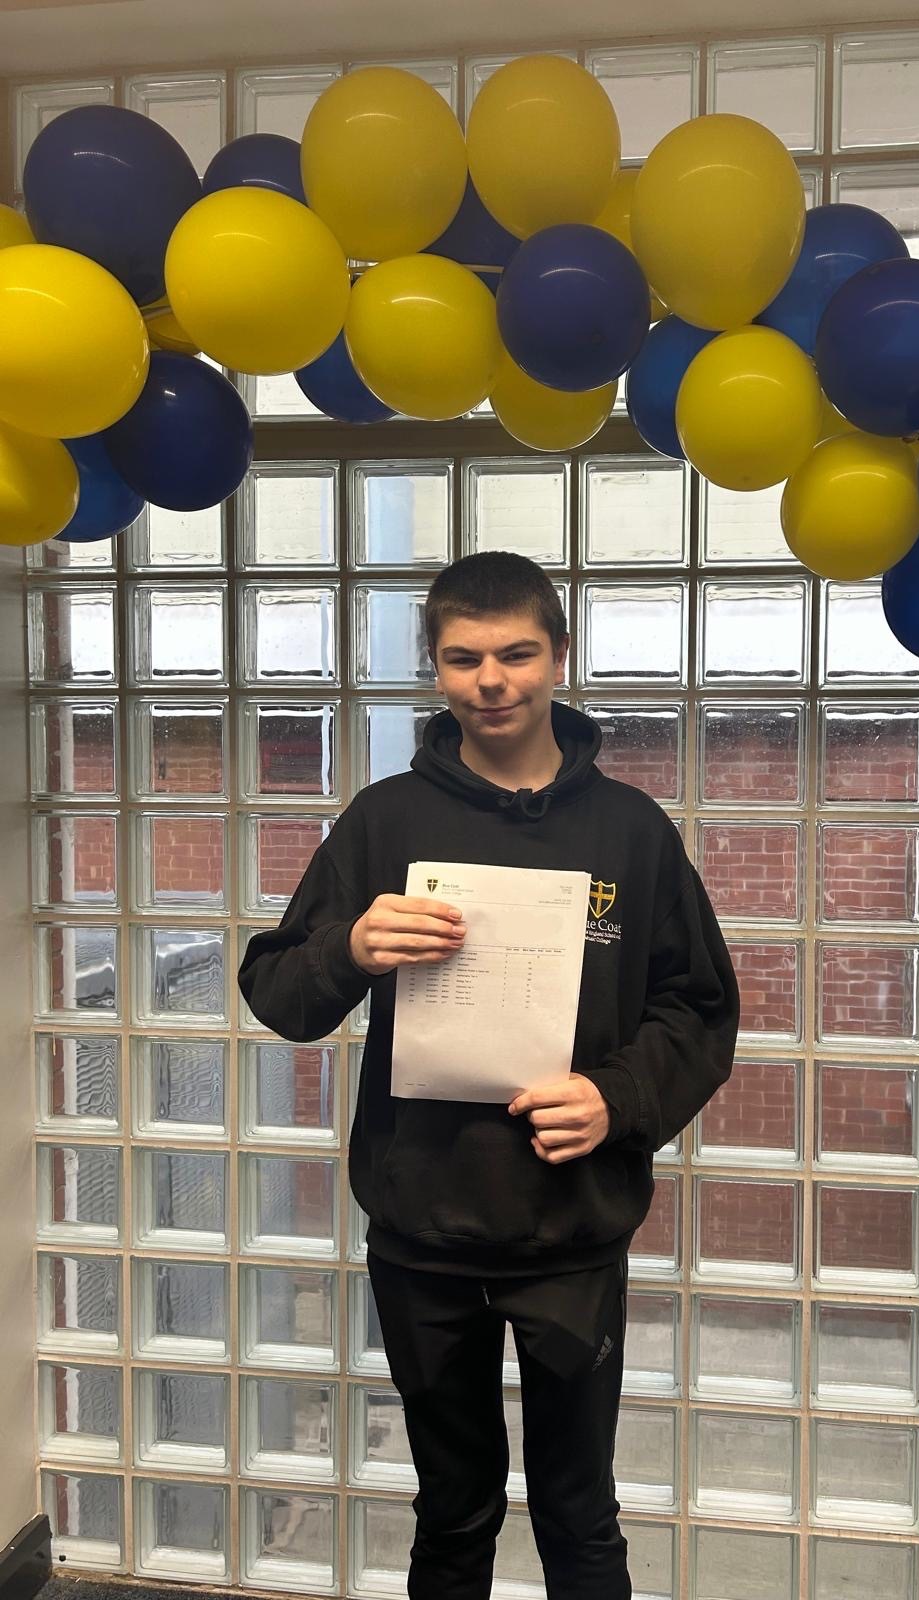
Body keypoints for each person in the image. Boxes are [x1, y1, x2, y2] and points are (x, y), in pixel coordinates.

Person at [238, 550, 740, 1600]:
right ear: (434, 667)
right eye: (464, 658)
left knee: (579, 1512)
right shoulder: (385, 820)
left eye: (517, 653)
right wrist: (351, 950)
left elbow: (698, 1008)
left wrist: (615, 1098)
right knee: (453, 1511)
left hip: (571, 1229)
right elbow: (278, 991)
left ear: (561, 655)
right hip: (422, 1231)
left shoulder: (630, 831)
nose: (493, 680)